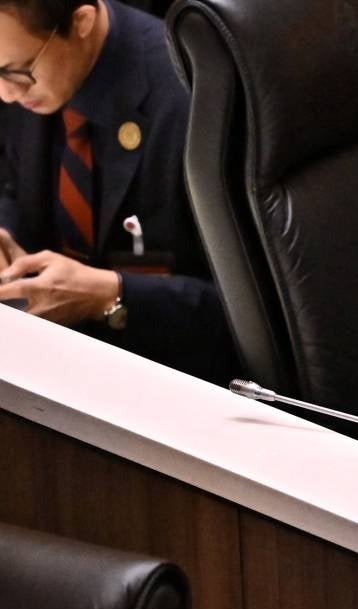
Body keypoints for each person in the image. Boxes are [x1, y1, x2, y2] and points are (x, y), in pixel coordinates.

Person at [0, 0, 235, 384]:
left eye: (18, 72)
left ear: (82, 21)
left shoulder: (193, 101)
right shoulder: (24, 75)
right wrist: (6, 234)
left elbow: (254, 322)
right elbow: (11, 180)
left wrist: (110, 294)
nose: (6, 94)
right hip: (47, 361)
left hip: (171, 379)